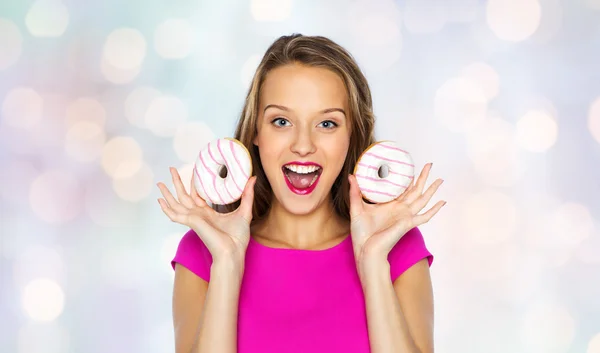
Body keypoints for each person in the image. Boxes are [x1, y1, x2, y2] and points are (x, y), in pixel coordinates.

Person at [156, 33, 445, 353]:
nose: (303, 145)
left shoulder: (397, 248)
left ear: (353, 135)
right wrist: (226, 262)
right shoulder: (204, 251)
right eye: (281, 121)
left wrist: (374, 262)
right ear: (255, 131)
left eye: (327, 124)